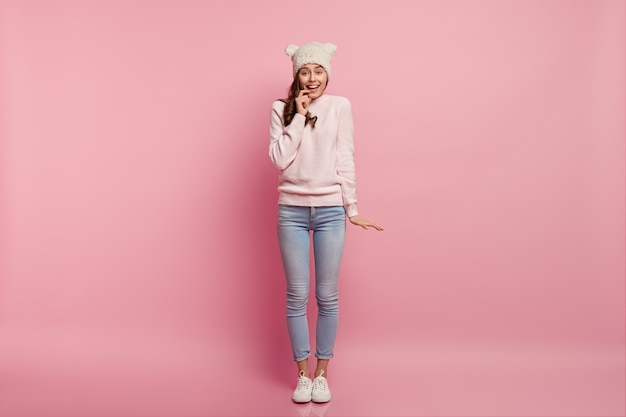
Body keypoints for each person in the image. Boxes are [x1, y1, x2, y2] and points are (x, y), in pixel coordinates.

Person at [269, 41, 383, 404]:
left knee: (327, 296)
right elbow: (279, 160)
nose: (312, 78)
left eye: (319, 71)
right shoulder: (280, 109)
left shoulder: (340, 106)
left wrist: (351, 208)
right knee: (296, 296)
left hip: (332, 210)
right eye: (305, 71)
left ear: (328, 74)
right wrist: (299, 116)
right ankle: (302, 374)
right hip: (292, 212)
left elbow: (344, 155)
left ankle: (322, 374)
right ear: (296, 75)